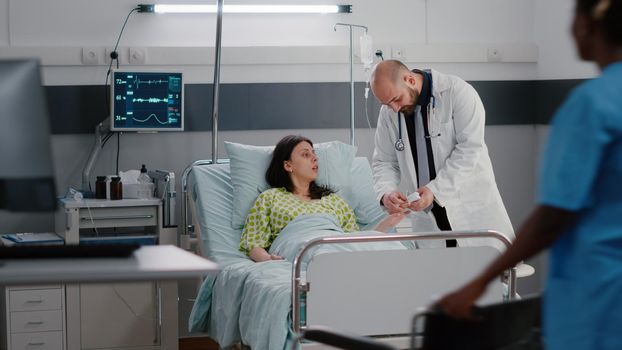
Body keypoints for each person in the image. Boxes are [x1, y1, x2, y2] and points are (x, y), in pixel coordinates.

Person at [438, 0, 622, 349]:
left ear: (585, 26)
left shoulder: (593, 104)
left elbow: (555, 214)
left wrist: (479, 282)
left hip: (602, 295)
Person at [370, 59, 514, 249]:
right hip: (427, 218)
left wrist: (434, 190)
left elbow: (470, 148)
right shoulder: (388, 113)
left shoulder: (457, 92)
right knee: (437, 275)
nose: (394, 109)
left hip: (470, 209)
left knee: (482, 272)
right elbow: (384, 161)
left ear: (410, 80)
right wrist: (386, 192)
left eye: (396, 99)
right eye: (387, 104)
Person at [239, 135, 404, 262]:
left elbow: (355, 242)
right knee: (323, 254)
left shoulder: (333, 200)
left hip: (334, 246)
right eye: (305, 154)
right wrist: (268, 260)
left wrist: (391, 221)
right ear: (288, 165)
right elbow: (253, 244)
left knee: (393, 246)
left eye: (314, 153)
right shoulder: (269, 198)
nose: (314, 158)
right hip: (302, 246)